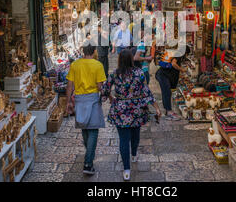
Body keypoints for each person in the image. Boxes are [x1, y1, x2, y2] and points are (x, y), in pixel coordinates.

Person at [102, 50, 161, 181]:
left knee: (123, 140)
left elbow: (105, 90)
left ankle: (127, 170)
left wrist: (110, 97)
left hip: (120, 110)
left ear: (119, 60)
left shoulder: (115, 74)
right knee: (135, 134)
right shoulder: (139, 73)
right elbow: (146, 92)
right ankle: (134, 155)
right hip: (137, 110)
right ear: (131, 60)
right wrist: (157, 107)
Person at [66, 45, 107, 175]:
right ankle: (88, 164)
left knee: (85, 128)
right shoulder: (98, 65)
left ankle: (89, 153)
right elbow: (100, 86)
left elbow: (69, 85)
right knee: (93, 130)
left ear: (83, 52)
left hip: (79, 99)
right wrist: (108, 95)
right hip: (93, 99)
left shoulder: (75, 65)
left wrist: (68, 102)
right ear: (94, 51)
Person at [155, 47, 188, 121]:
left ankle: (167, 111)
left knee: (166, 92)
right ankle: (169, 112)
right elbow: (173, 64)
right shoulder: (178, 55)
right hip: (163, 75)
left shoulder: (176, 53)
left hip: (162, 75)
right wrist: (181, 69)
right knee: (167, 92)